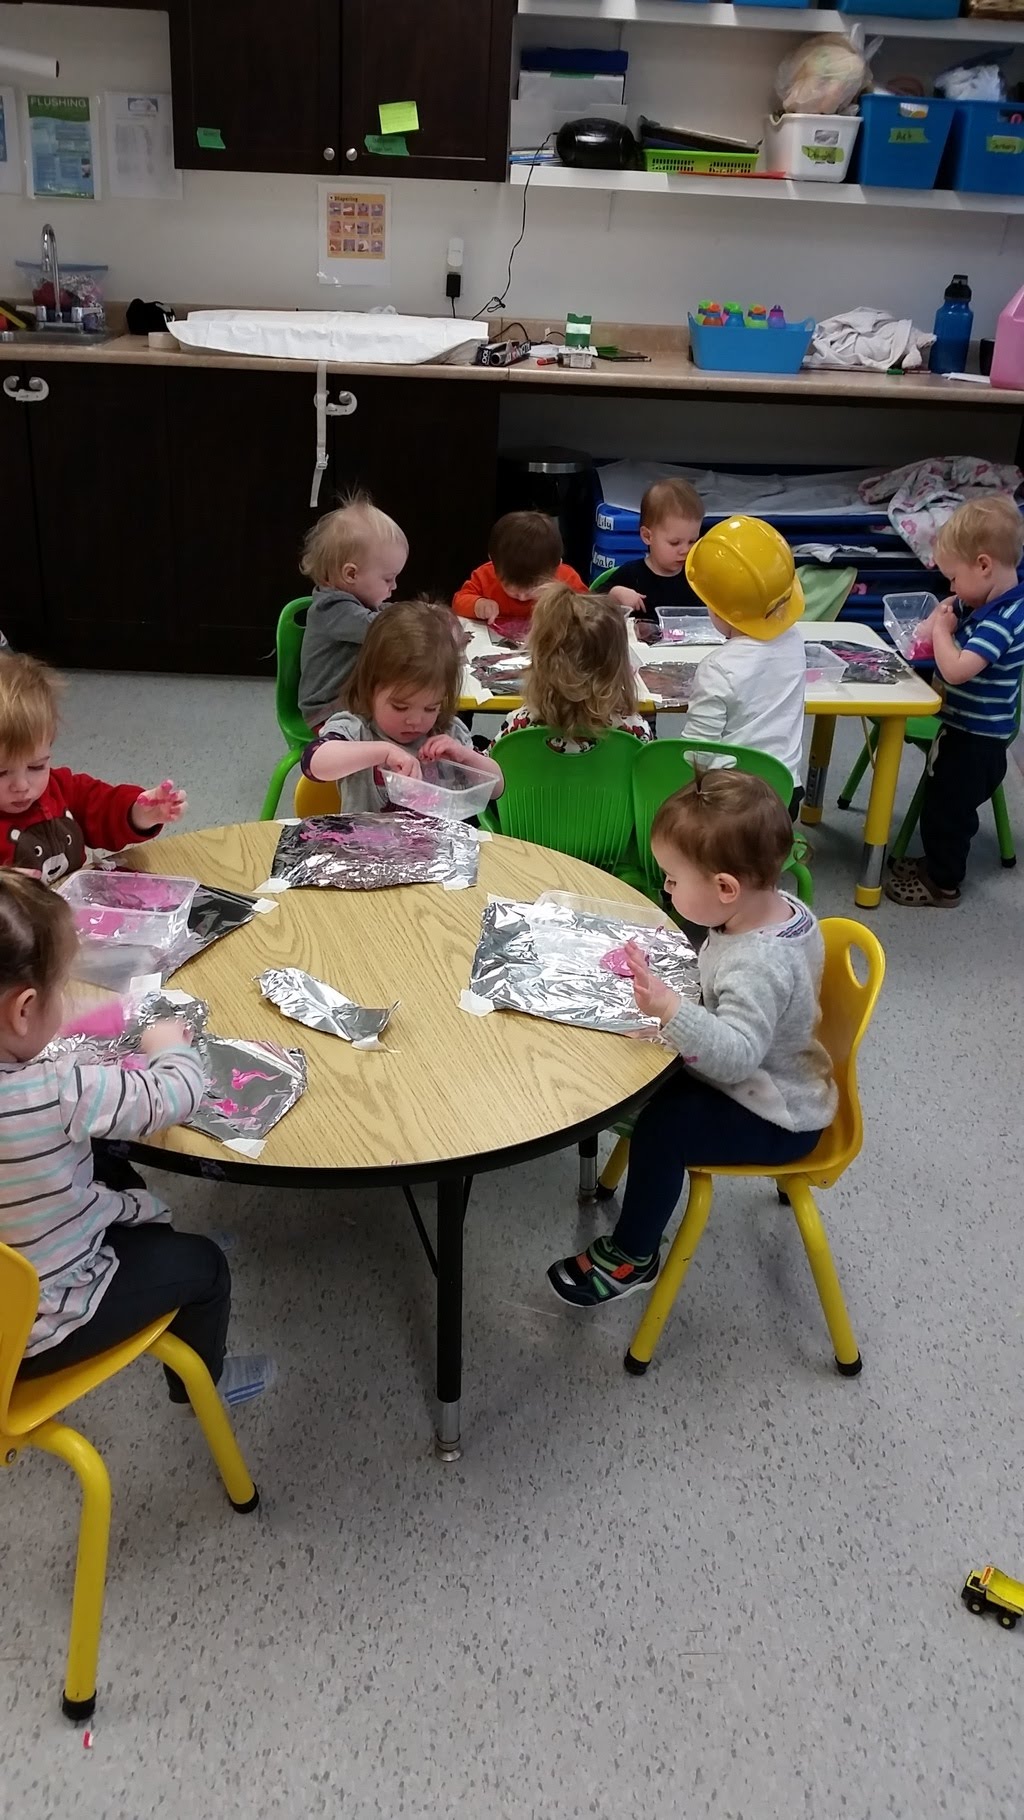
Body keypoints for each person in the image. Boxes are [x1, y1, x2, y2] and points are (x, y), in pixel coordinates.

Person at [547, 771, 836, 1307]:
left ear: (726, 888)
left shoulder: (759, 962)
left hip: (776, 1112)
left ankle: (633, 1256)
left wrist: (671, 1011)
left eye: (673, 880)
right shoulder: (769, 910)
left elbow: (737, 1057)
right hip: (768, 1076)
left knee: (663, 1131)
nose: (666, 889)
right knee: (640, 1073)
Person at [0, 874, 274, 1408]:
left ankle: (148, 1237)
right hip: (40, 1322)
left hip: (17, 1262)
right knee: (205, 1268)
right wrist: (170, 1048)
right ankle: (202, 1388)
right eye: (61, 990)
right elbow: (173, 1096)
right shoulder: (55, 1092)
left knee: (105, 1157)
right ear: (24, 1009)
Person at [886, 496, 1024, 908]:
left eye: (953, 577)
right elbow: (929, 627)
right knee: (939, 802)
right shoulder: (977, 599)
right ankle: (935, 862)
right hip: (960, 728)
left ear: (983, 566)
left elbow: (956, 670)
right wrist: (938, 620)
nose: (950, 588)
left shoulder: (1004, 620)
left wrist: (942, 633)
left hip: (978, 742)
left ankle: (942, 883)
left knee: (949, 812)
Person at [0, 651, 185, 883]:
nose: (21, 785)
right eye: (1, 772)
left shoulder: (60, 788)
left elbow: (103, 807)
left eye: (36, 766)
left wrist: (138, 814)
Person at [302, 599, 503, 810]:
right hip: (367, 832)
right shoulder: (356, 730)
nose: (415, 721)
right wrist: (383, 752)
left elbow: (497, 788)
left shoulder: (448, 733)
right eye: (400, 707)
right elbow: (312, 763)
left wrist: (465, 756)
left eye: (431, 708)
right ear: (370, 689)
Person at [681, 516, 806, 817]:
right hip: (786, 793)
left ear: (718, 610)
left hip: (731, 805)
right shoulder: (794, 640)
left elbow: (697, 754)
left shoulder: (718, 668)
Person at [497, 582, 653, 753]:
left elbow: (490, 765)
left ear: (540, 664)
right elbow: (648, 767)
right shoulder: (635, 731)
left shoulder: (518, 727)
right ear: (620, 668)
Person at [298, 496, 409, 730]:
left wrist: (414, 613)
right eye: (388, 579)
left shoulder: (358, 602)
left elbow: (384, 614)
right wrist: (417, 620)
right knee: (403, 723)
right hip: (329, 711)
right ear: (351, 574)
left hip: (353, 699)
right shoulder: (331, 608)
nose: (394, 586)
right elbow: (379, 628)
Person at [453, 512, 587, 625]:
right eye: (510, 587)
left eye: (534, 588)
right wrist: (478, 604)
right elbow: (458, 602)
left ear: (557, 567)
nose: (522, 597)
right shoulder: (486, 576)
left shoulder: (566, 578)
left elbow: (589, 609)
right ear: (493, 562)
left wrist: (571, 610)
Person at [605, 476, 704, 620]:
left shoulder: (697, 576)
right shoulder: (631, 574)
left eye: (692, 541)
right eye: (675, 542)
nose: (685, 550)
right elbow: (592, 601)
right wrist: (615, 593)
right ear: (647, 536)